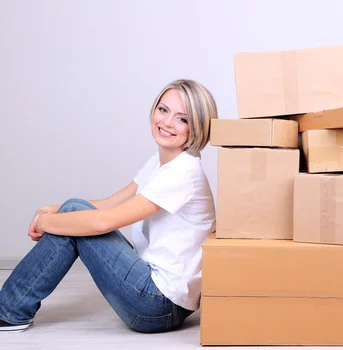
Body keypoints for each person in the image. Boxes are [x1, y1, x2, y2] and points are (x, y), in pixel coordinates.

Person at [0, 79, 218, 334]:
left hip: (158, 304)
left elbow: (103, 221)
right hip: (157, 294)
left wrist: (45, 222)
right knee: (74, 207)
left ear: (197, 127)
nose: (167, 122)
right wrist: (52, 208)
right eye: (163, 110)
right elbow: (109, 204)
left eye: (182, 119)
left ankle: (8, 311)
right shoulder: (162, 162)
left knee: (75, 213)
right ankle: (10, 308)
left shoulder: (183, 172)